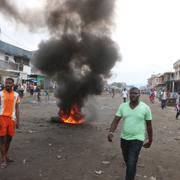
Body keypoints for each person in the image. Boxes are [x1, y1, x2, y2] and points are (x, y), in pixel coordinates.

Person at [107, 87, 153, 180]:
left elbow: (149, 125)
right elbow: (115, 121)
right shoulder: (123, 106)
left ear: (139, 95)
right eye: (131, 93)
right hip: (124, 138)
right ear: (128, 94)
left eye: (135, 93)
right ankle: (131, 169)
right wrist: (111, 132)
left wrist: (150, 139)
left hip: (138, 138)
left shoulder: (145, 108)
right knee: (128, 160)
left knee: (131, 161)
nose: (133, 95)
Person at [0, 78, 20, 168]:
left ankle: (5, 155)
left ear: (13, 84)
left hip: (12, 119)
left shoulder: (16, 95)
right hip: (2, 118)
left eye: (9, 83)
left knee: (9, 139)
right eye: (6, 83)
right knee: (2, 139)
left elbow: (17, 108)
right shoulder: (0, 94)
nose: (7, 84)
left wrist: (18, 121)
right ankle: (3, 159)